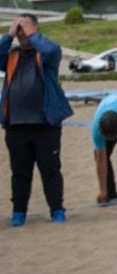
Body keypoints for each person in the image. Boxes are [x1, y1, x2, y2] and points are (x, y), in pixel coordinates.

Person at [2, 14, 71, 226]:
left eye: (26, 29)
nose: (23, 34)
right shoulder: (11, 55)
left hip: (45, 124)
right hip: (16, 124)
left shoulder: (47, 54)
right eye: (19, 30)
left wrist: (32, 33)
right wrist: (10, 34)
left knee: (50, 170)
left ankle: (57, 209)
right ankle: (19, 212)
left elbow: (52, 50)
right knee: (20, 173)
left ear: (36, 29)